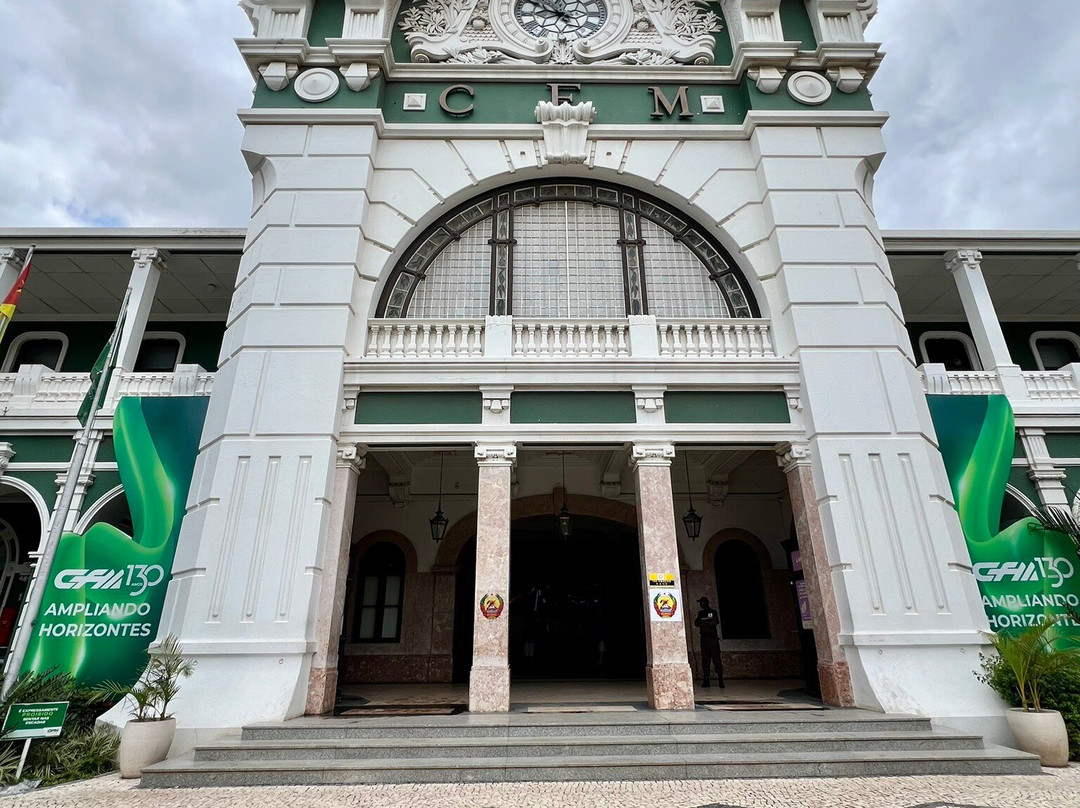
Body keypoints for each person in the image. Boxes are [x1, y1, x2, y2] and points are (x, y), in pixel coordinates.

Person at [694, 596, 725, 688]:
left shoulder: (712, 612)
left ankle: (720, 679)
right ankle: (706, 679)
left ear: (705, 603)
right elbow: (696, 623)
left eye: (702, 603)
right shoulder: (701, 613)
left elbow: (714, 623)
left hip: (712, 638)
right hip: (704, 638)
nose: (701, 604)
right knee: (705, 660)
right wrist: (706, 623)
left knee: (716, 658)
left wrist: (704, 623)